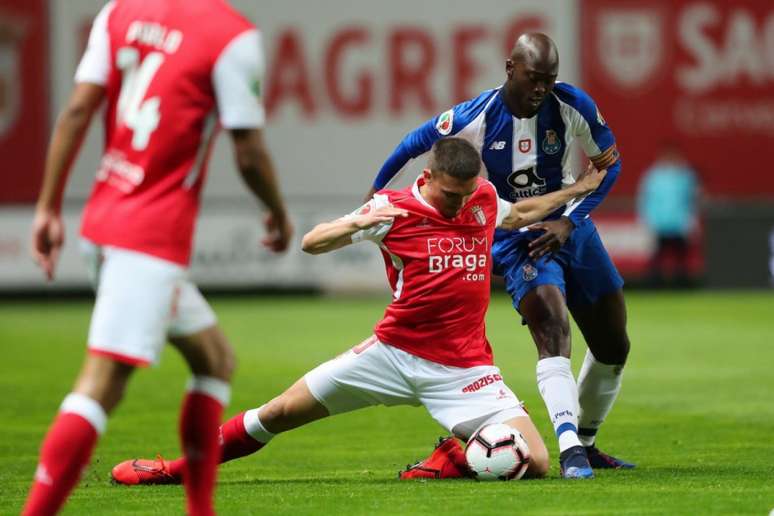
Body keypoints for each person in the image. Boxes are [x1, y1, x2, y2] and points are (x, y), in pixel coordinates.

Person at [110, 138, 607, 486]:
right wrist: (361, 222)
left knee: (536, 461)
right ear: (427, 177)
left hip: (464, 368)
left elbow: (516, 213)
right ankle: (176, 469)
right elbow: (310, 243)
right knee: (277, 414)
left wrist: (576, 191)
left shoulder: (478, 198)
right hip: (392, 355)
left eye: (466, 194)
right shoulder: (393, 210)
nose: (459, 207)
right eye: (450, 195)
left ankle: (452, 458)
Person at [23, 1, 292, 514]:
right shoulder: (232, 37)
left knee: (214, 359)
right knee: (102, 384)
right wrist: (277, 212)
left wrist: (48, 206)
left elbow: (79, 108)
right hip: (146, 240)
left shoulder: (119, 12)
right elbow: (248, 149)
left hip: (102, 220)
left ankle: (200, 508)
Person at [366, 33, 633, 479]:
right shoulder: (475, 117)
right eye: (533, 79)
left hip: (573, 227)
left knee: (613, 344)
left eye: (549, 80)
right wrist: (375, 196)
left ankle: (586, 443)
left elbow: (611, 164)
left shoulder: (574, 106)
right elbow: (412, 143)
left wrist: (570, 220)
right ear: (511, 69)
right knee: (552, 324)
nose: (541, 90)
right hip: (513, 236)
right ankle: (570, 452)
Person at [637, 142, 699, 287]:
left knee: (681, 259)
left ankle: (681, 286)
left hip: (679, 224)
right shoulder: (652, 177)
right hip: (659, 224)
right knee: (657, 259)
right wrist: (647, 221)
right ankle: (655, 287)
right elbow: (646, 200)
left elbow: (691, 200)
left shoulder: (686, 176)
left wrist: (690, 221)